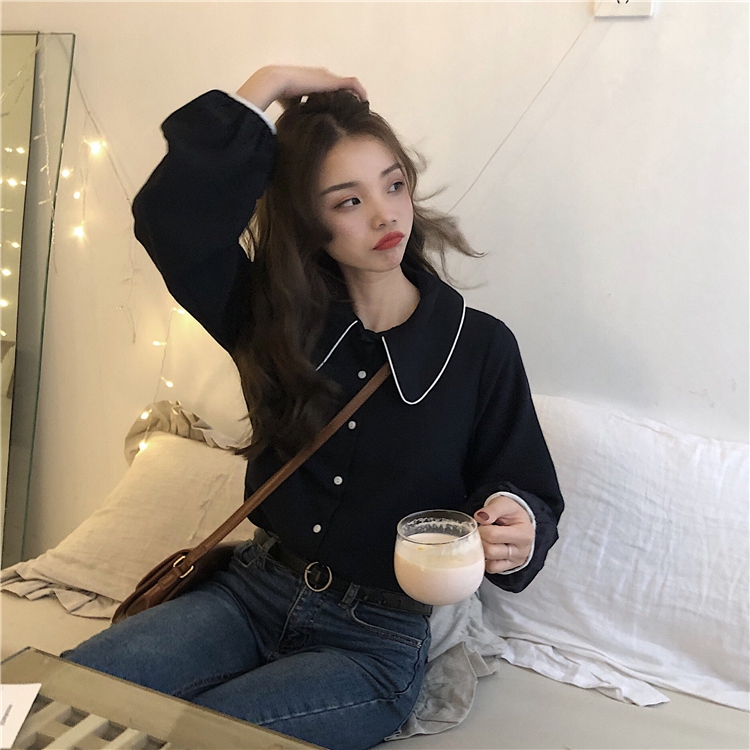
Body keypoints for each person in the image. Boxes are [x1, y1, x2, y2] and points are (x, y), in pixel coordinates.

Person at [63, 65, 564, 750]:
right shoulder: (272, 321)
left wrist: (517, 521)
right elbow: (170, 222)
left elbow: (524, 486)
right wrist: (268, 84)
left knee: (198, 741)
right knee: (56, 695)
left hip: (374, 641)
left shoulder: (479, 347)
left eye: (393, 184)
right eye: (348, 201)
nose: (385, 215)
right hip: (247, 595)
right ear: (308, 221)